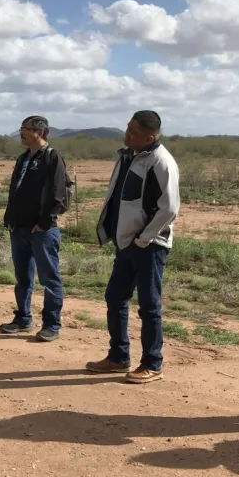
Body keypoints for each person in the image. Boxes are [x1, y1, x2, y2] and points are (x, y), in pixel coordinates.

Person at [86, 110, 179, 384]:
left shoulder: (161, 162)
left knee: (149, 307)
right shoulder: (127, 156)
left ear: (150, 137)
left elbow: (170, 208)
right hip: (126, 243)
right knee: (115, 298)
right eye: (127, 129)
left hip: (149, 246)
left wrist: (144, 238)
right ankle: (118, 357)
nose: (127, 135)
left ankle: (152, 363)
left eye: (133, 133)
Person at [0, 115, 68, 342]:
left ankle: (51, 324)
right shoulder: (23, 158)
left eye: (25, 129)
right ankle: (22, 318)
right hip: (18, 228)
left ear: (40, 132)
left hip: (42, 231)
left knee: (49, 279)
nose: (21, 132)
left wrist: (45, 222)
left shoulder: (52, 157)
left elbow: (58, 193)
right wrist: (10, 218)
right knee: (23, 278)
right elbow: (16, 191)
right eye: (21, 128)